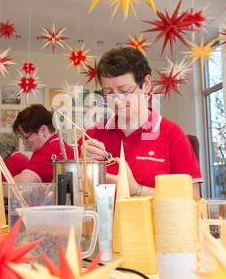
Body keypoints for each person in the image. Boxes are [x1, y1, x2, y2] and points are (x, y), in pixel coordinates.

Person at [81, 47, 202, 198]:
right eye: (109, 93)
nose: (117, 101)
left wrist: (136, 189)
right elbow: (67, 190)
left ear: (146, 84)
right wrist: (80, 164)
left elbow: (193, 197)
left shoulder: (172, 134)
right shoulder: (92, 136)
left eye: (124, 91)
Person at [12, 104, 73, 183]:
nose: (24, 143)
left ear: (43, 130)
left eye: (25, 137)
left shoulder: (49, 151)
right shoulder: (57, 144)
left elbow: (18, 186)